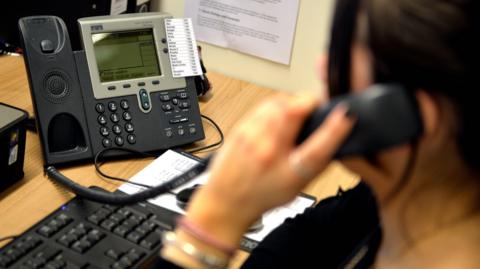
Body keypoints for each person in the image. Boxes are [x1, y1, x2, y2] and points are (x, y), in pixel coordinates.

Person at [154, 0, 480, 268]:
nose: (323, 67)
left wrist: (207, 227)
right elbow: (298, 245)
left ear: (411, 117)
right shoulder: (384, 204)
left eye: (339, 50)